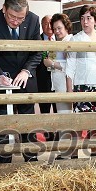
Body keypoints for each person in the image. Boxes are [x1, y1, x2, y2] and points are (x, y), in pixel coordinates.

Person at [0, 0, 42, 163]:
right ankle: (3, 160)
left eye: (21, 18)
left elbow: (37, 52)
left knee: (27, 120)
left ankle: (31, 158)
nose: (16, 22)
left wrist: (26, 71)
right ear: (3, 9)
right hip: (2, 78)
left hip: (25, 78)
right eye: (12, 17)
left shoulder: (33, 20)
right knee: (2, 119)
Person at [65, 5, 96, 158]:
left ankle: (94, 154)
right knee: (79, 122)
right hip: (82, 86)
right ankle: (74, 154)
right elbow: (69, 67)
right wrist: (69, 93)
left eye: (89, 18)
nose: (85, 22)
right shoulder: (75, 39)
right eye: (82, 18)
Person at [41, 13, 75, 160]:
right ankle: (68, 152)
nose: (57, 31)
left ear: (66, 27)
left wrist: (52, 64)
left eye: (59, 28)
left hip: (65, 85)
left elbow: (70, 66)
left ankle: (68, 153)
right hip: (58, 84)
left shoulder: (69, 41)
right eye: (54, 28)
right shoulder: (57, 42)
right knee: (63, 118)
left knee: (66, 119)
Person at [36, 15, 57, 143]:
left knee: (58, 107)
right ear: (41, 25)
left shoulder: (60, 39)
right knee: (44, 108)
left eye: (51, 23)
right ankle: (48, 134)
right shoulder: (36, 40)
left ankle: (59, 132)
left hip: (57, 79)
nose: (48, 26)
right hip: (42, 79)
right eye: (45, 24)